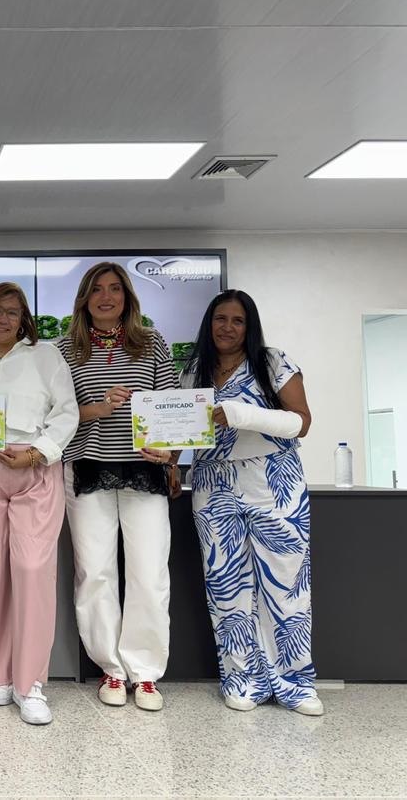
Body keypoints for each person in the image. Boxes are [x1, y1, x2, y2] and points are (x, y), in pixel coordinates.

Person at [181, 290, 322, 716]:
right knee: (226, 586)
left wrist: (242, 414)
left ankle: (296, 684)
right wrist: (164, 456)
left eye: (237, 320)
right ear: (208, 323)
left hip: (273, 481)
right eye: (220, 319)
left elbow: (301, 422)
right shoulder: (193, 371)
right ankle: (242, 679)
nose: (227, 327)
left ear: (249, 326)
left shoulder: (273, 362)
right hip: (212, 485)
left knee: (286, 584)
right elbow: (182, 431)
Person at [57, 262, 178, 712]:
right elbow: (58, 414)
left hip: (143, 472)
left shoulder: (152, 342)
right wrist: (97, 408)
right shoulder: (64, 348)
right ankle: (111, 667)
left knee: (149, 573)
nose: (106, 297)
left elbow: (172, 408)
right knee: (95, 572)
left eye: (114, 289)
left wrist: (169, 451)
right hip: (86, 468)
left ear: (127, 296)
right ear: (84, 298)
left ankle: (145, 673)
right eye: (96, 290)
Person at [0, 282, 78, 725]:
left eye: (12, 312)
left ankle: (30, 684)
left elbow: (67, 412)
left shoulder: (46, 356)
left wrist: (37, 453)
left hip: (35, 468)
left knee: (31, 571)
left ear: (24, 319)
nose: (3, 319)